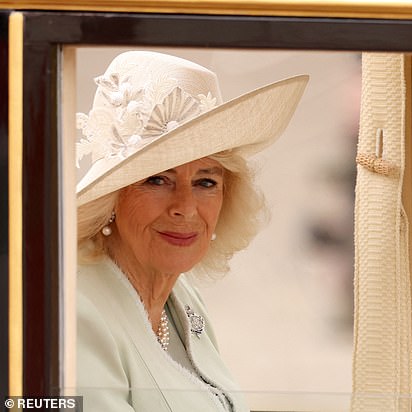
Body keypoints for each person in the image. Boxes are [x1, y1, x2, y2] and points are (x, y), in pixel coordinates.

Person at [75, 51, 308, 411]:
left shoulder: (180, 294)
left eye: (205, 181)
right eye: (157, 179)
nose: (184, 206)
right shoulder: (77, 312)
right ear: (112, 198)